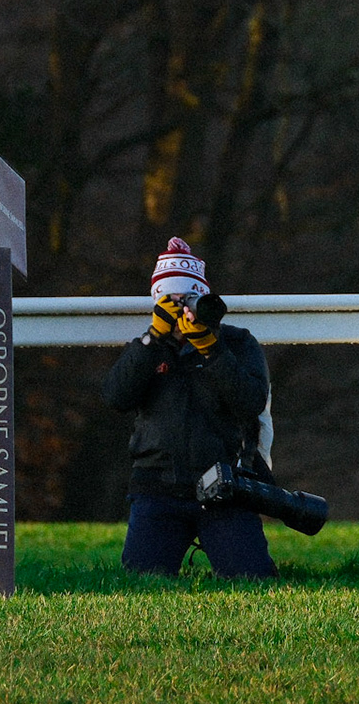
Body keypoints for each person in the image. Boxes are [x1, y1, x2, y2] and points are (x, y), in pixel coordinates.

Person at [104, 237, 276, 578]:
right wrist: (154, 339)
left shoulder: (237, 343)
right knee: (141, 583)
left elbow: (250, 402)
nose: (184, 311)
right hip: (157, 488)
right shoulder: (145, 349)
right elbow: (116, 397)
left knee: (252, 580)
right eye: (172, 302)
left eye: (191, 300)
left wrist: (212, 350)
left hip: (226, 485)